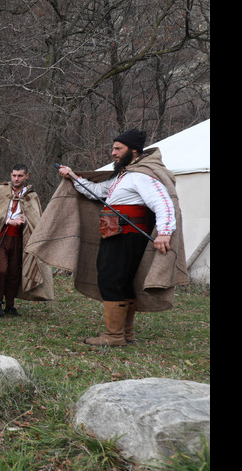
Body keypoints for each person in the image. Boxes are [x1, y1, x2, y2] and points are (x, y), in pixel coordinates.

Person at [49, 129, 184, 346]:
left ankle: (113, 336)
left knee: (111, 280)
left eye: (118, 148)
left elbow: (164, 203)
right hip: (115, 235)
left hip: (126, 237)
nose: (113, 153)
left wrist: (165, 232)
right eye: (113, 148)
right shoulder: (125, 175)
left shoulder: (143, 175)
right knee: (123, 283)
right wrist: (73, 176)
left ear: (134, 150)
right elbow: (94, 190)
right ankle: (125, 334)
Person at [0, 164, 53, 316]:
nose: (16, 179)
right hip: (1, 236)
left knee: (14, 272)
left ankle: (10, 305)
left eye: (20, 176)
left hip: (20, 238)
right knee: (1, 270)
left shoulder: (31, 196)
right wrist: (8, 220)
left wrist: (25, 221)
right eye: (14, 175)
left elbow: (36, 220)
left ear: (27, 176)